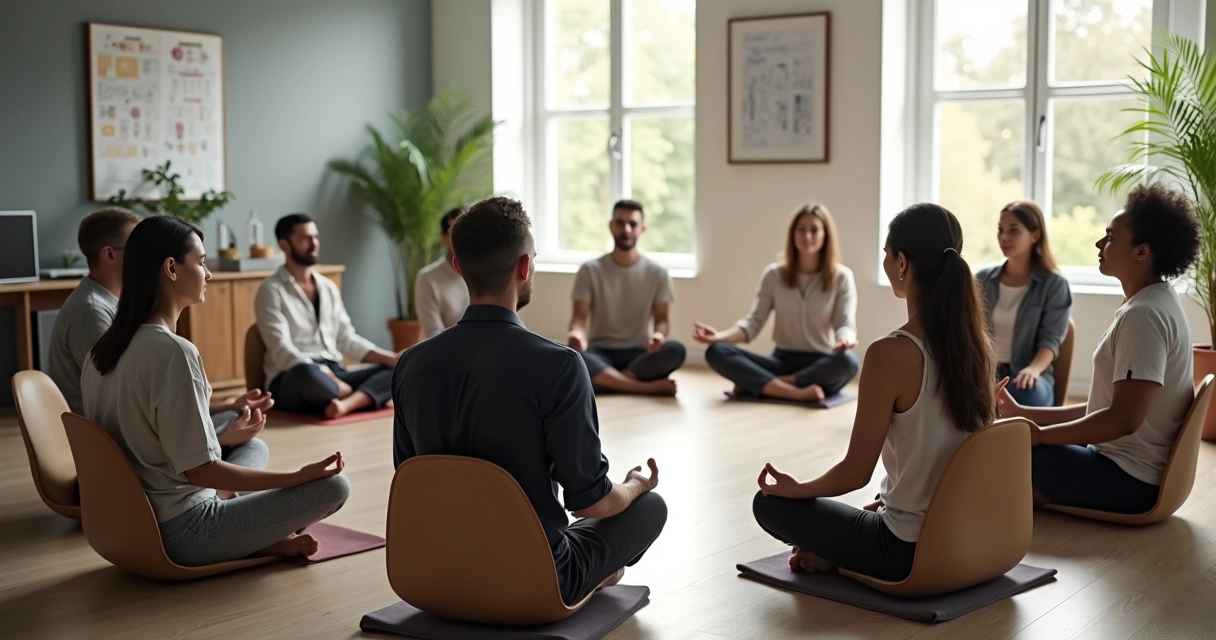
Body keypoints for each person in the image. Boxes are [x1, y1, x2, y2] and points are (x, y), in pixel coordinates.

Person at [392, 196, 667, 606]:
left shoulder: (410, 363)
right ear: (524, 267)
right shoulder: (560, 365)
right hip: (534, 579)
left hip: (431, 574)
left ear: (458, 267)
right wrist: (633, 487)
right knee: (651, 507)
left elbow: (411, 476)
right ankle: (597, 575)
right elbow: (590, 502)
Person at [81, 216, 349, 565]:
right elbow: (201, 472)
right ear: (171, 268)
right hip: (185, 530)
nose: (208, 274)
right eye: (202, 262)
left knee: (252, 446)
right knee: (334, 488)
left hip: (128, 523)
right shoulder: (173, 352)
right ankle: (254, 535)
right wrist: (297, 477)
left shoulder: (101, 350)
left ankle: (258, 534)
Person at [752, 203, 996, 581]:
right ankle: (844, 547)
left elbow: (855, 473)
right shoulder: (978, 345)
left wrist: (797, 490)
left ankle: (839, 555)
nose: (885, 261)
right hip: (974, 540)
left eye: (886, 253)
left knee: (770, 505)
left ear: (902, 263)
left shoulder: (890, 353)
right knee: (867, 510)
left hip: (906, 551)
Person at [997, 183, 1200, 514]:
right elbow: (1104, 407)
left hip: (1129, 480)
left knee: (995, 450)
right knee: (1004, 442)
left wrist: (1041, 437)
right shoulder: (1153, 302)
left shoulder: (1145, 315)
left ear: (1141, 252)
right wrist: (1030, 416)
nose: (1099, 243)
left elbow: (1122, 419)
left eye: (1110, 237)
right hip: (1123, 466)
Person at [48, 208, 271, 427]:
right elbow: (126, 406)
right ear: (109, 254)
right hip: (107, 443)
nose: (146, 255)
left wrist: (229, 405)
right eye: (137, 248)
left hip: (136, 433)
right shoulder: (93, 312)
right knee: (244, 438)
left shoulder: (114, 306)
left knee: (238, 424)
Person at [695, 203, 860, 402]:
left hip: (820, 363)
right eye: (801, 230)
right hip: (781, 359)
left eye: (814, 230)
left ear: (826, 235)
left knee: (849, 362)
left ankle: (769, 384)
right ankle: (796, 392)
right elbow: (752, 324)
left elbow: (844, 323)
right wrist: (719, 337)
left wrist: (846, 339)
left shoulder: (841, 277)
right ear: (792, 234)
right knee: (717, 352)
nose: (807, 236)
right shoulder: (773, 275)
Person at [255, 214, 400, 419]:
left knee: (399, 371)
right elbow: (281, 350)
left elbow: (345, 339)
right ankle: (353, 396)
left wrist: (391, 358)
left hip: (335, 372)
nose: (314, 244)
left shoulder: (328, 287)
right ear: (285, 244)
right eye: (305, 238)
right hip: (294, 375)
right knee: (307, 375)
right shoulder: (270, 290)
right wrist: (325, 374)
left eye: (315, 237)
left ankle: (345, 404)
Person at [567, 200, 685, 395]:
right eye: (620, 223)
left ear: (642, 229)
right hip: (599, 351)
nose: (626, 229)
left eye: (632, 224)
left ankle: (608, 381)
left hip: (639, 353)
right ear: (611, 226)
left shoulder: (658, 273)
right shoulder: (590, 270)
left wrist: (659, 336)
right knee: (572, 355)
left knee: (676, 350)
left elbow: (662, 319)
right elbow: (579, 318)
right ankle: (644, 387)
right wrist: (577, 334)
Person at [976, 201, 1073, 407]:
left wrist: (1033, 370)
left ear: (1035, 235)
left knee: (1022, 395)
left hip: (1029, 375)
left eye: (1013, 230)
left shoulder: (1055, 285)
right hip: (986, 373)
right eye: (1001, 230)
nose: (1004, 237)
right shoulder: (983, 278)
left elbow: (1051, 341)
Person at [414, 207, 469, 337]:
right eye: (457, 233)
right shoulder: (427, 277)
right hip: (447, 352)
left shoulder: (487, 272)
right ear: (444, 238)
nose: (465, 239)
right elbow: (434, 333)